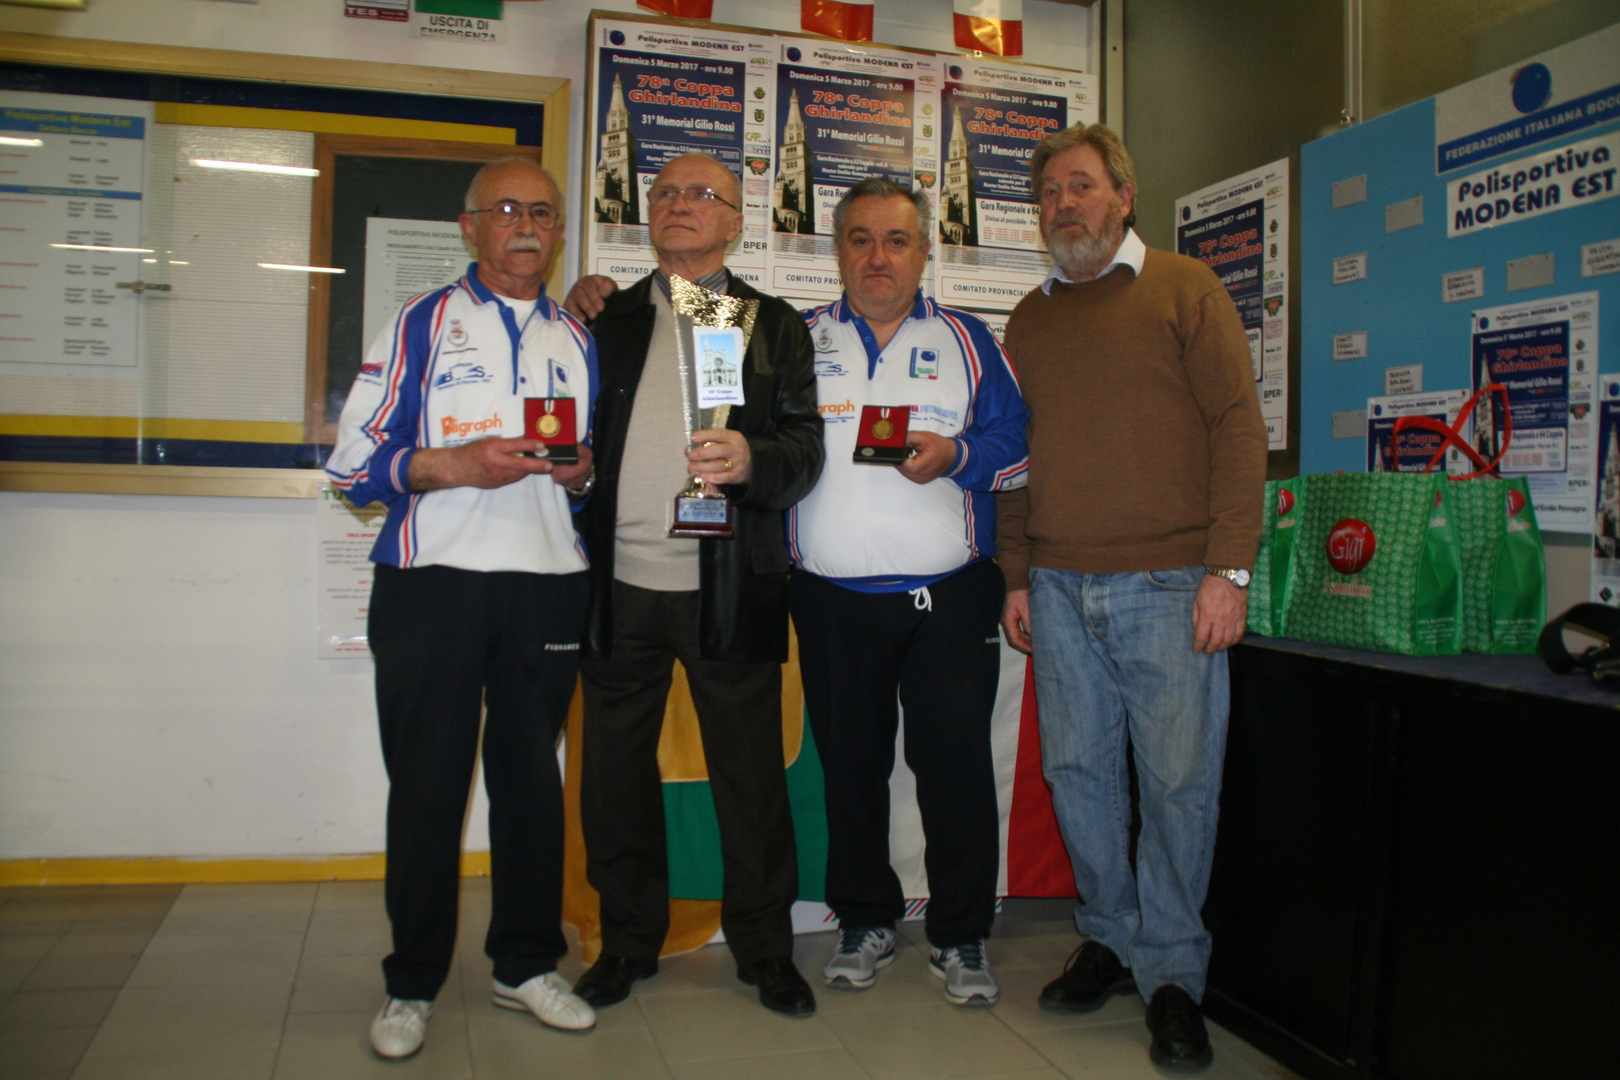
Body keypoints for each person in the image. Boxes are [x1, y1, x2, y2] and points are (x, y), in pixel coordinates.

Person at [996, 124, 1267, 1072]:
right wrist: (1016, 573)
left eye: (1081, 186)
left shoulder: (1187, 290)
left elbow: (1239, 429)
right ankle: (1110, 937)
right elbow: (1015, 460)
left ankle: (1174, 977)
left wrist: (1229, 571)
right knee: (1078, 776)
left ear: (1124, 194)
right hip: (1058, 587)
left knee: (1178, 785)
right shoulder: (1028, 319)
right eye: (1049, 193)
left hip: (1170, 584)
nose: (1063, 205)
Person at [326, 158, 600, 1058]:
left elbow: (586, 483)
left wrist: (581, 473)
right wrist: (455, 464)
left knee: (530, 786)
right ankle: (411, 984)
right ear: (470, 226)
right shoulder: (421, 321)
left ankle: (525, 966)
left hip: (546, 584)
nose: (526, 225)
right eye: (507, 209)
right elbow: (352, 466)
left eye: (543, 213)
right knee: (428, 788)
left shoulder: (577, 335)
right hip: (432, 582)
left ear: (558, 231)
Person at [561, 153, 825, 1017]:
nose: (679, 204)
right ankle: (625, 943)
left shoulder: (769, 324)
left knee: (749, 780)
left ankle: (766, 949)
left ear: (736, 223)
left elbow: (805, 449)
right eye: (666, 192)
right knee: (614, 780)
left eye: (701, 195)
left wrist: (754, 459)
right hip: (617, 585)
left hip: (728, 588)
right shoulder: (606, 319)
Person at [790, 179, 1028, 1006]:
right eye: (859, 239)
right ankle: (865, 919)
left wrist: (957, 455)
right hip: (830, 599)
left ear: (925, 251)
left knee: (954, 768)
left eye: (895, 240)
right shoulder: (799, 339)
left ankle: (961, 934)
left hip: (949, 596)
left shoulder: (968, 339)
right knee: (851, 769)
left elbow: (1017, 449)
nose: (877, 257)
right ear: (838, 251)